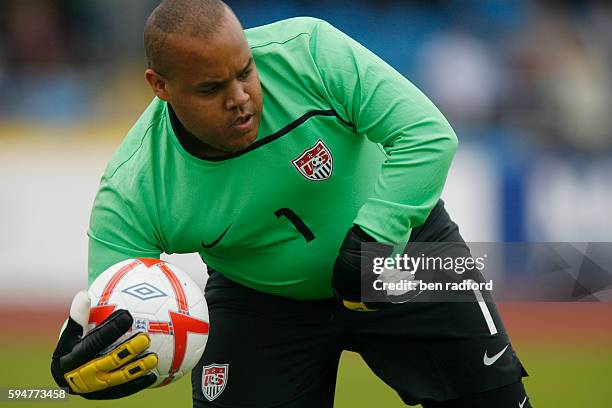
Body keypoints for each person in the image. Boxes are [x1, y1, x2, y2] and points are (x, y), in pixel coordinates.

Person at [50, 0, 531, 406]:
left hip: (403, 250)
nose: (240, 98)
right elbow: (114, 308)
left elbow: (428, 136)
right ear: (160, 86)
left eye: (245, 72)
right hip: (258, 302)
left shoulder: (310, 50)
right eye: (211, 89)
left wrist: (375, 237)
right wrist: (89, 353)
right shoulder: (133, 186)